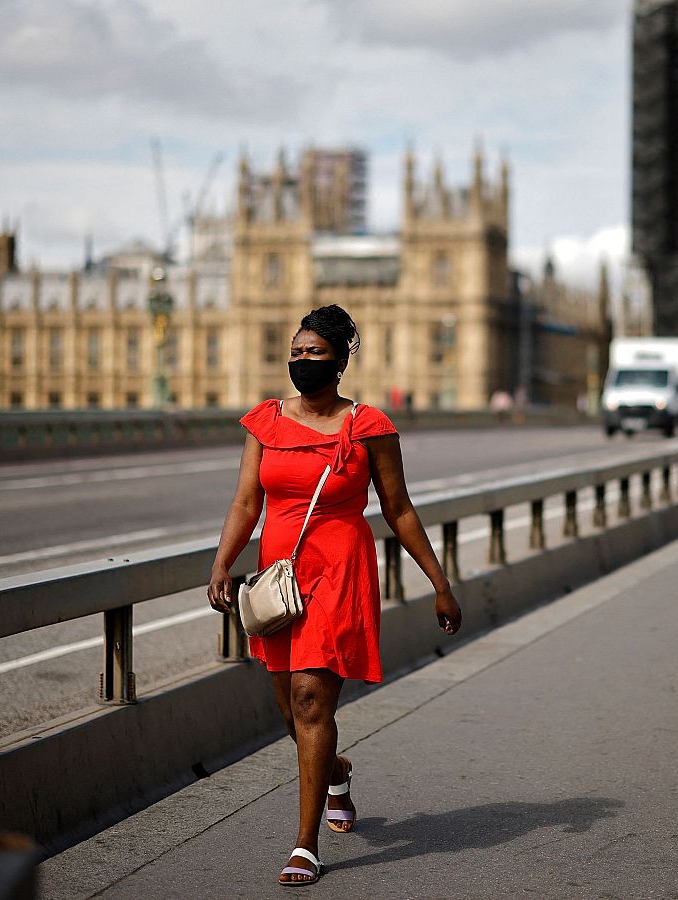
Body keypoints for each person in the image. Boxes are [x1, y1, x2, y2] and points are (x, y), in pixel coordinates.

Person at [207, 305, 463, 887]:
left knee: (310, 699)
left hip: (341, 571)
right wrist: (224, 561)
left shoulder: (369, 426)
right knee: (291, 713)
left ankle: (305, 845)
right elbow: (247, 502)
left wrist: (440, 584)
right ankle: (335, 768)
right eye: (295, 352)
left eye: (314, 353)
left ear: (342, 359)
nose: (301, 362)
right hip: (280, 577)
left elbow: (398, 509)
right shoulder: (265, 423)